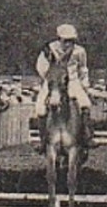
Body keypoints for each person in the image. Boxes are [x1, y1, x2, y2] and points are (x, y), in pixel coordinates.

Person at [32, 24, 95, 152]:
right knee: (40, 109)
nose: (68, 43)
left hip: (72, 80)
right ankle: (43, 139)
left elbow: (83, 69)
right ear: (59, 38)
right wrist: (51, 78)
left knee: (85, 104)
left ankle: (87, 136)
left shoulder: (79, 51)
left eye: (71, 40)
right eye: (65, 40)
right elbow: (40, 66)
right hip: (53, 82)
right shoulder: (49, 49)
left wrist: (85, 85)